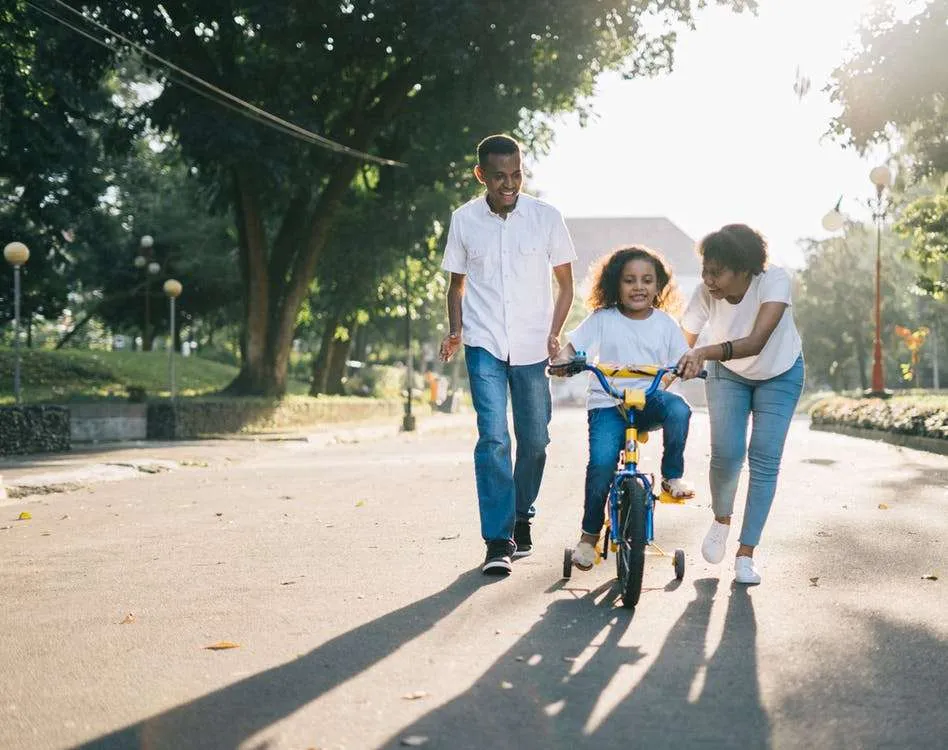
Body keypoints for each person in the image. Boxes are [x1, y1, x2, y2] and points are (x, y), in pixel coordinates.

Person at [439, 134, 576, 576]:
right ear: (481, 175)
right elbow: (456, 285)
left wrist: (555, 332)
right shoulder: (464, 220)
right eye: (499, 176)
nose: (509, 183)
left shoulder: (546, 217)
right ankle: (498, 539)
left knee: (535, 440)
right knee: (494, 438)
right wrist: (456, 330)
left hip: (534, 345)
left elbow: (566, 284)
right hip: (484, 344)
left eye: (516, 174)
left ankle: (522, 515)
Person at [677, 223, 804, 585]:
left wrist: (702, 352)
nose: (708, 280)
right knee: (727, 453)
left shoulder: (774, 281)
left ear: (745, 268)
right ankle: (721, 520)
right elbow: (679, 343)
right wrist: (663, 376)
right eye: (705, 270)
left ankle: (746, 554)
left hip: (779, 372)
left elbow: (756, 341)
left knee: (764, 458)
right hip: (728, 374)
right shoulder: (706, 293)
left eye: (717, 272)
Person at [554, 245, 694, 571]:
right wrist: (562, 362)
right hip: (608, 403)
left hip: (648, 400)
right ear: (616, 284)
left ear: (659, 286)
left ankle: (672, 476)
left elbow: (680, 361)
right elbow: (571, 348)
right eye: (629, 280)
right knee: (602, 463)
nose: (639, 287)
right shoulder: (602, 319)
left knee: (680, 410)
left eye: (647, 280)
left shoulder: (665, 324)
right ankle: (588, 538)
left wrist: (681, 372)